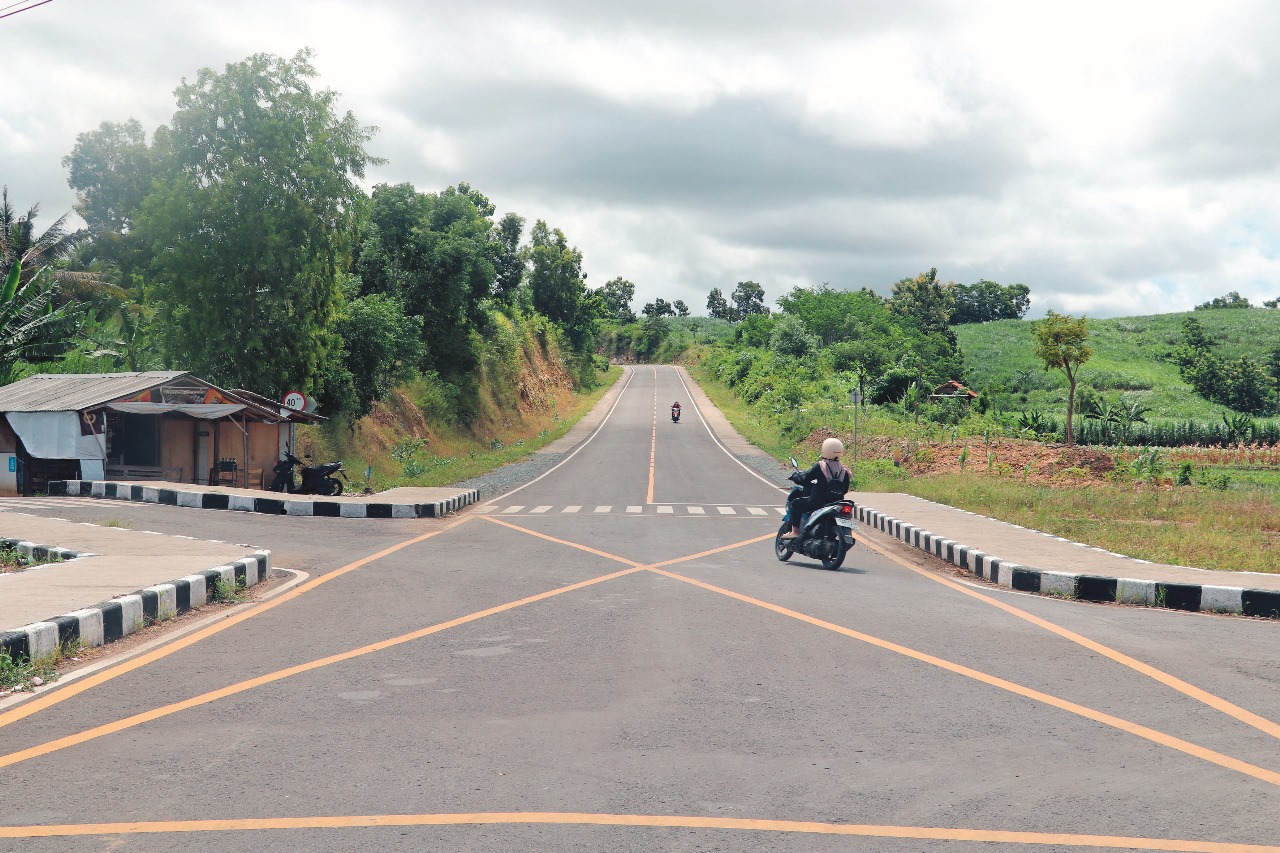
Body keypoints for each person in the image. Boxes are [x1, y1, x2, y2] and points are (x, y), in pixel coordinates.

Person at [782, 437, 850, 540]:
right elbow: (845, 489)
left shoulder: (821, 466)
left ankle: (795, 532)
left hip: (817, 502)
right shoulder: (844, 470)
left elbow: (805, 478)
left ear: (825, 449)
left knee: (796, 504)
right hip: (836, 503)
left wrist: (795, 476)